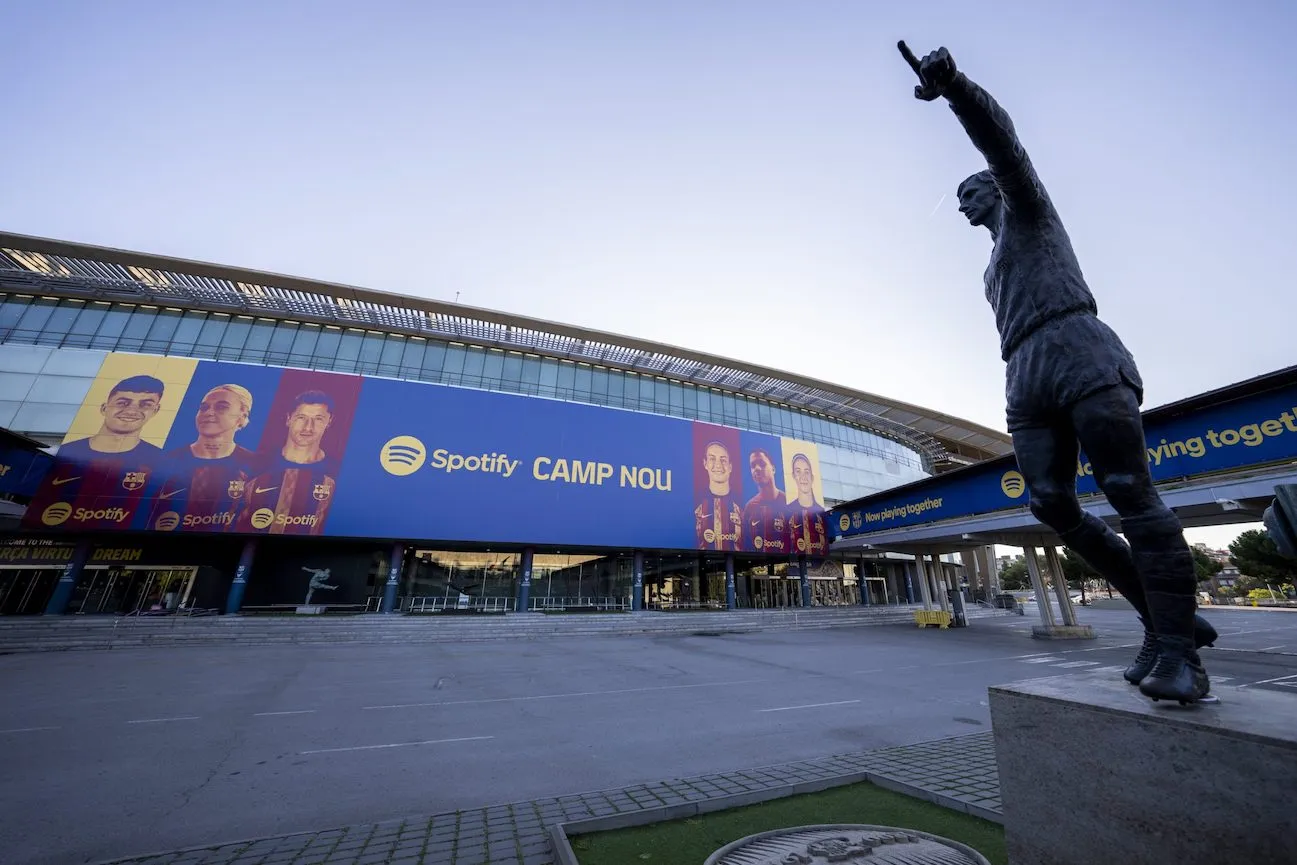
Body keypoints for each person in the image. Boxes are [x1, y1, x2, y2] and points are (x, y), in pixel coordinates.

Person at [900, 43, 1214, 703]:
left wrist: (953, 87)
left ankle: (1179, 649)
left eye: (968, 191)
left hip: (1077, 347)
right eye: (956, 197)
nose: (960, 204)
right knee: (1048, 502)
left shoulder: (1029, 215)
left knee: (1128, 487)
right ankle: (1164, 621)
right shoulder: (989, 266)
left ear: (992, 188)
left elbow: (1003, 143)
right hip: (1023, 369)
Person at [23, 374, 167, 531]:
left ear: (156, 410)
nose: (132, 410)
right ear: (104, 408)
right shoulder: (66, 452)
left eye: (145, 405)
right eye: (123, 402)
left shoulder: (162, 460)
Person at [149, 384, 259, 532]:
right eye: (204, 407)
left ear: (242, 417)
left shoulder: (255, 465)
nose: (209, 413)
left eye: (221, 407)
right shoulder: (166, 461)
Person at [235, 390, 338, 536]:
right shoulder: (256, 464)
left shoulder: (337, 472)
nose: (308, 427)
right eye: (301, 417)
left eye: (318, 419)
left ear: (329, 421)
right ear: (289, 418)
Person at [694, 441, 743, 551]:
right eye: (712, 459)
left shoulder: (742, 505)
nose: (718, 464)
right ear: (705, 463)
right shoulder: (696, 503)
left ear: (730, 466)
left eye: (723, 459)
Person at [742, 448, 790, 555]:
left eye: (762, 464)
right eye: (753, 466)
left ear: (773, 469)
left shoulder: (788, 502)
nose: (757, 468)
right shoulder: (749, 507)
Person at [785, 454, 827, 558]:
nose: (803, 477)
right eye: (798, 471)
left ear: (812, 477)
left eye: (806, 472)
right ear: (793, 476)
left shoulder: (821, 512)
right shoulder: (788, 511)